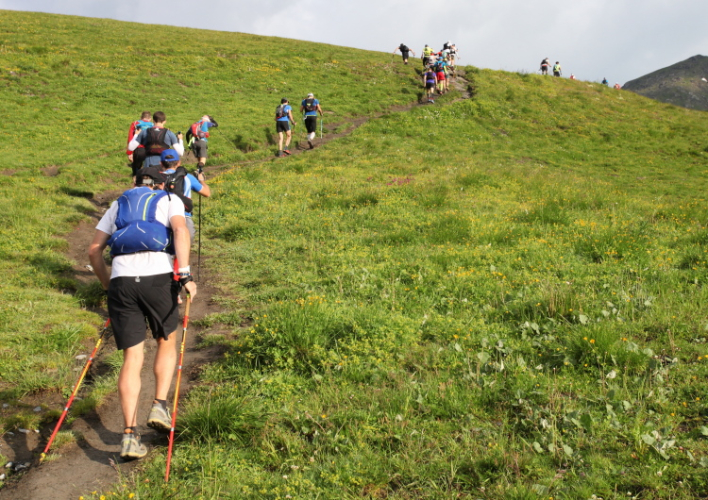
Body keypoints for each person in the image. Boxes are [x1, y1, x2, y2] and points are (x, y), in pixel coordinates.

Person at [87, 166, 197, 460]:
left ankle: (129, 436)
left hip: (122, 282)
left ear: (133, 182)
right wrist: (185, 275)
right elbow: (180, 230)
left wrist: (108, 284)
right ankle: (159, 405)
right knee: (166, 341)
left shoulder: (117, 205)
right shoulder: (169, 199)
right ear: (160, 184)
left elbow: (94, 250)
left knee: (132, 357)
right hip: (158, 278)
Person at [159, 149, 211, 242]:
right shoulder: (187, 177)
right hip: (184, 216)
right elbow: (207, 193)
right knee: (183, 244)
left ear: (161, 163)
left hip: (162, 216)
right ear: (179, 163)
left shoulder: (156, 178)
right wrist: (201, 180)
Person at [126, 111, 152, 177]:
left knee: (136, 169)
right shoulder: (153, 125)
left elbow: (130, 138)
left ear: (141, 118)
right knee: (148, 170)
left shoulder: (135, 123)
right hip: (150, 150)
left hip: (138, 149)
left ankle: (136, 178)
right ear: (150, 118)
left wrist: (130, 153)